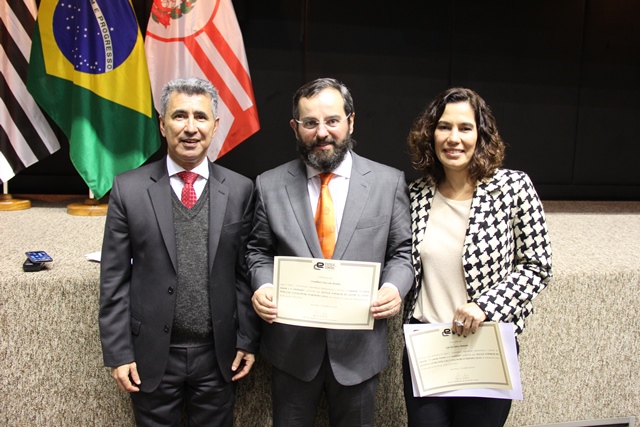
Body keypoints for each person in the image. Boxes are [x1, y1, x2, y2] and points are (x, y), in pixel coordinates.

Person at [247, 77, 414, 427]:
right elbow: (258, 251)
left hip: (359, 352)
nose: (322, 132)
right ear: (295, 128)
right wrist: (262, 286)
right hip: (292, 351)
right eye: (310, 123)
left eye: (332, 121)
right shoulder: (269, 184)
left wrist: (394, 288)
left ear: (350, 121)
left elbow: (402, 252)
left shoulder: (388, 183)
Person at [99, 77, 260, 427]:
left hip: (219, 356)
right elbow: (113, 279)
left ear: (215, 126)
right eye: (179, 116)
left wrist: (247, 339)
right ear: (162, 123)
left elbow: (245, 274)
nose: (190, 128)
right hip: (151, 356)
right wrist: (118, 352)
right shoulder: (129, 189)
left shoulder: (240, 189)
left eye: (201, 117)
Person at [402, 87, 553, 427]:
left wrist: (486, 305)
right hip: (428, 347)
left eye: (465, 128)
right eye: (444, 127)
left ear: (481, 135)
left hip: (484, 347)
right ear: (431, 133)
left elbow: (537, 266)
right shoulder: (415, 194)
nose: (453, 138)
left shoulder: (513, 188)